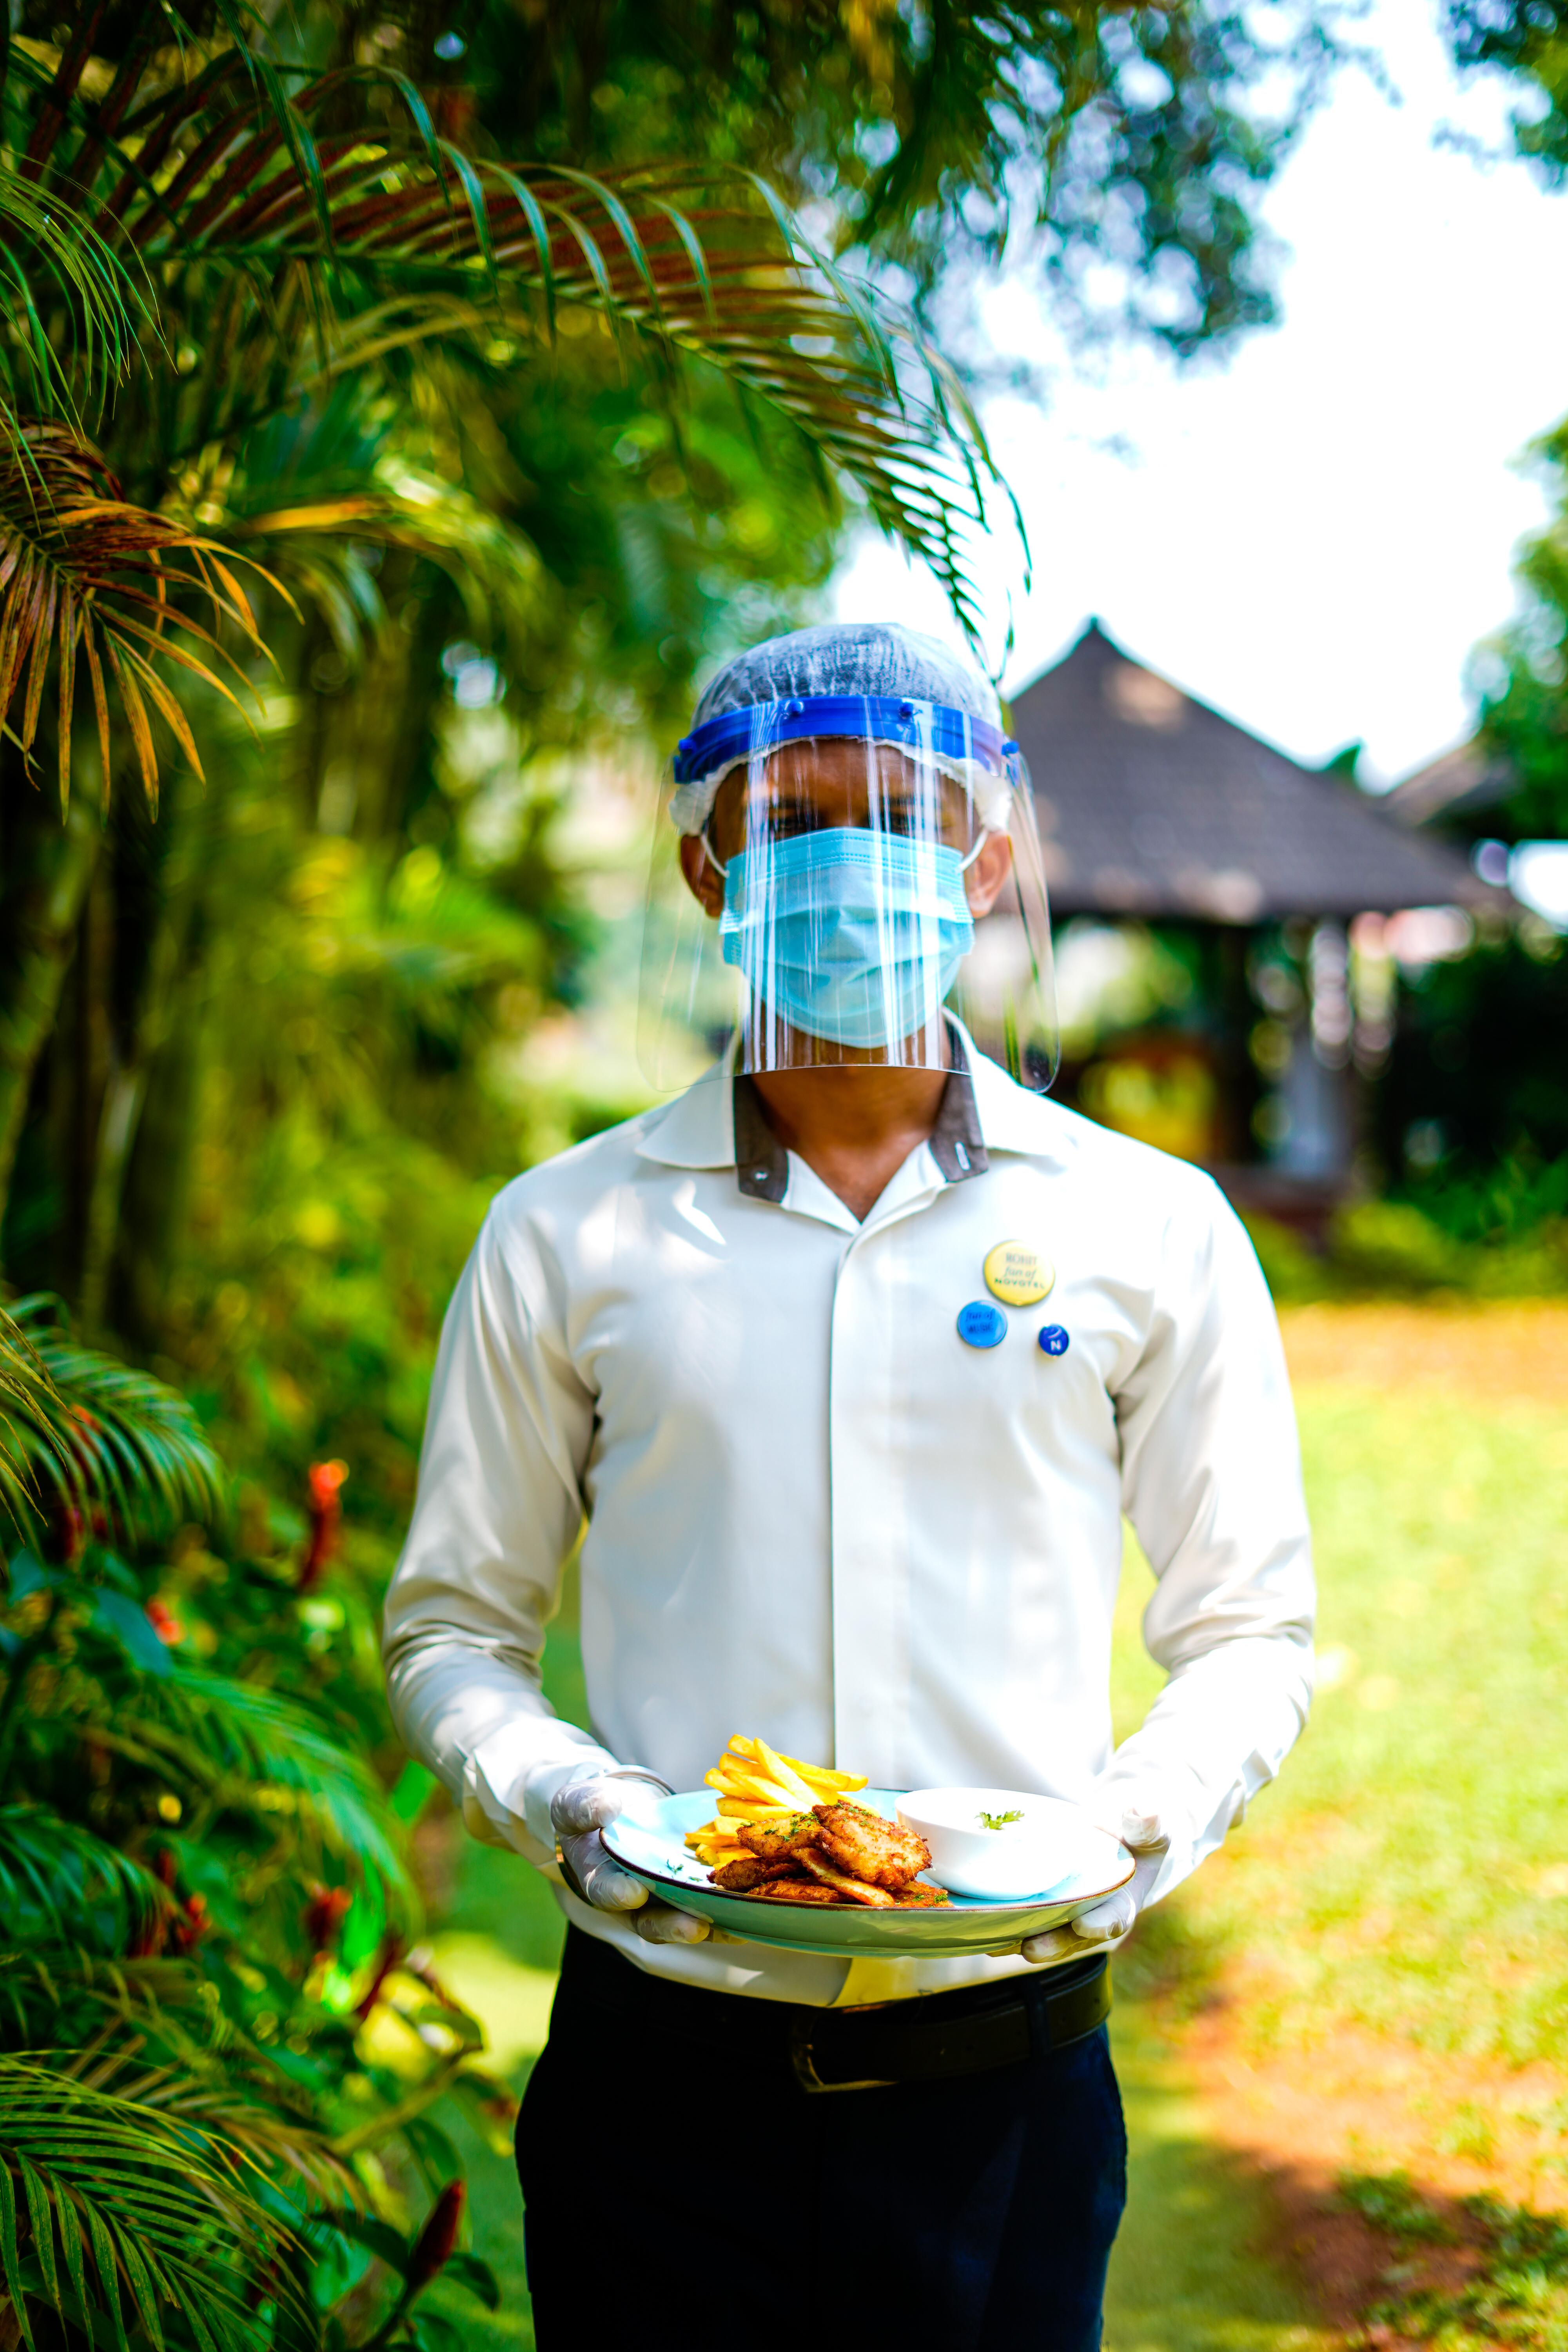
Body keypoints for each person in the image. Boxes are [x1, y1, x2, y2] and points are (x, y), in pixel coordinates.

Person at [382, 622, 1315, 2352]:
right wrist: (566, 1796)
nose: (849, 862)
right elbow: (452, 1626)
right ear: (702, 859)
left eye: (901, 817)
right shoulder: (566, 1234)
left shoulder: (1148, 1228)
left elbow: (1251, 1629)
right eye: (794, 818)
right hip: (660, 2078)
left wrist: (1130, 1824)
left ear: (986, 853)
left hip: (1007, 2081)